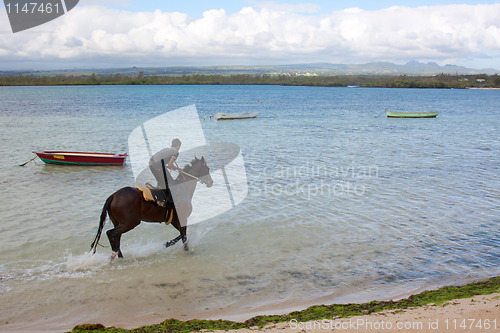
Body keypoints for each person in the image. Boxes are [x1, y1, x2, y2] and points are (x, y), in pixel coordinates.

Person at [148, 138, 182, 206]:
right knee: (171, 182)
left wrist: (172, 167)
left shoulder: (167, 149)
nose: (179, 148)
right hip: (157, 165)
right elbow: (170, 165)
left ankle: (157, 194)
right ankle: (161, 200)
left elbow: (165, 164)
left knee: (161, 181)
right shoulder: (176, 152)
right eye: (180, 146)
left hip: (151, 163)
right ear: (178, 146)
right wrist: (176, 168)